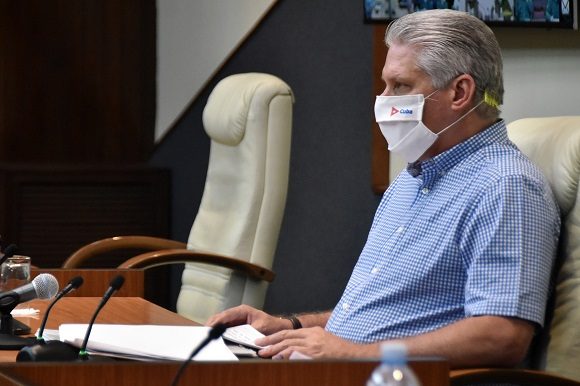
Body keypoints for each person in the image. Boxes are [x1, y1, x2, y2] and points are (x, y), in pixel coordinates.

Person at [207, 9, 560, 369]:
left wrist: (350, 354)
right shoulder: (413, 178)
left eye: (401, 86)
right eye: (386, 85)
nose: (384, 100)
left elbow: (501, 337)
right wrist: (289, 326)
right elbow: (383, 315)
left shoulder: (506, 187)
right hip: (337, 369)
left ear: (460, 92)